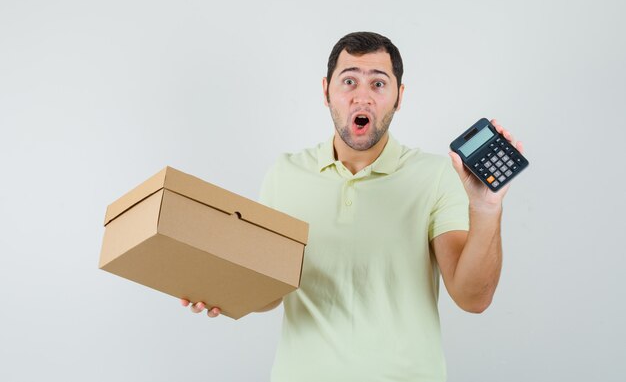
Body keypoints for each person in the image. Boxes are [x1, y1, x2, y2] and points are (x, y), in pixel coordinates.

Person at [181, 31, 524, 381]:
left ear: (399, 96)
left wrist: (486, 208)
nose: (363, 96)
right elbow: (270, 293)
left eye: (378, 84)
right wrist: (219, 290)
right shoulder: (285, 174)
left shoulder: (436, 175)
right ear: (326, 91)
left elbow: (473, 298)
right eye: (349, 82)